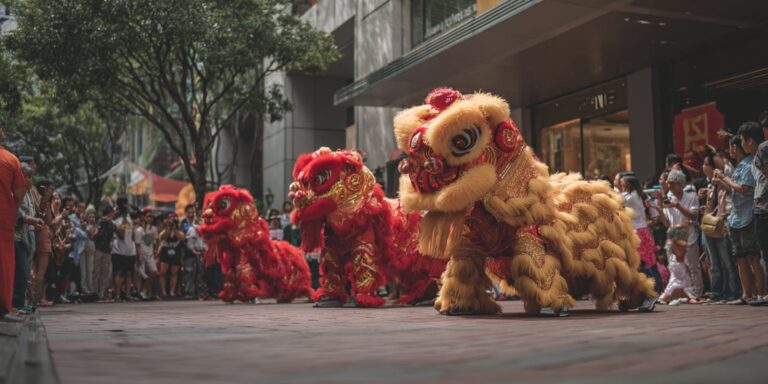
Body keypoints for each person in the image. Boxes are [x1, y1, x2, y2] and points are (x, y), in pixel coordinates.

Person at [716, 132, 763, 305]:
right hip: (736, 217)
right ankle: (746, 295)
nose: (730, 150)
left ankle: (760, 294)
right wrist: (722, 183)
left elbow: (744, 188)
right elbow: (734, 189)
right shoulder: (738, 167)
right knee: (740, 258)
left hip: (748, 216)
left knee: (753, 256)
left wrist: (725, 179)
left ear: (734, 147)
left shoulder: (750, 164)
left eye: (731, 146)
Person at [650, 169, 703, 298]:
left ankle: (696, 293)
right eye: (668, 183)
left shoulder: (691, 197)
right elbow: (667, 223)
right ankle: (681, 294)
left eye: (672, 183)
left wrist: (677, 206)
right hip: (673, 238)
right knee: (675, 268)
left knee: (693, 267)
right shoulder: (668, 199)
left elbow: (693, 216)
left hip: (689, 236)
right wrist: (660, 210)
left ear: (681, 184)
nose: (669, 186)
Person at [736, 121, 768, 305]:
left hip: (763, 206)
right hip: (760, 206)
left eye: (742, 140)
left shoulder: (764, 149)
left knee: (762, 252)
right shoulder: (759, 152)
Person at [700, 153, 739, 302]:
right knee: (714, 263)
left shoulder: (725, 179)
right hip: (710, 223)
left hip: (722, 222)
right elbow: (713, 204)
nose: (703, 167)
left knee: (727, 261)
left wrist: (721, 182)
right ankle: (717, 292)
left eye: (706, 164)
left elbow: (731, 195)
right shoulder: (709, 184)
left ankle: (732, 291)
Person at [0, 121, 29, 319]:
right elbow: (19, 193)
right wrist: (13, 209)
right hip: (3, 217)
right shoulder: (10, 159)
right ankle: (4, 306)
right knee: (5, 262)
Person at [657, 226, 699, 305]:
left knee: (675, 283)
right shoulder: (679, 243)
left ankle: (663, 298)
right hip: (678, 266)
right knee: (681, 283)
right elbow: (684, 247)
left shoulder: (672, 243)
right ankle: (691, 297)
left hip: (675, 265)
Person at [619, 174, 654, 269]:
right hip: (643, 230)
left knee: (639, 264)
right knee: (646, 264)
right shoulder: (639, 194)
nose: (621, 184)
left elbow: (620, 199)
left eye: (623, 183)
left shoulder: (631, 197)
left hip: (637, 232)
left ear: (629, 185)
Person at [32, 180, 55, 306]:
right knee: (41, 270)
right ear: (45, 189)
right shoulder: (43, 202)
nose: (52, 191)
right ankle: (37, 298)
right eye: (51, 189)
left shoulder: (35, 199)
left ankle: (34, 297)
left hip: (36, 235)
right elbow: (49, 221)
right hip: (42, 236)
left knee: (34, 269)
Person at [111, 197, 137, 301]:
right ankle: (117, 294)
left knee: (129, 273)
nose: (128, 206)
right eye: (126, 204)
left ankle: (127, 294)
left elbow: (131, 234)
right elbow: (121, 235)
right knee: (118, 272)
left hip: (130, 250)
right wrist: (124, 218)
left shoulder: (129, 218)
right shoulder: (116, 219)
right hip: (118, 250)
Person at [92, 205, 116, 300]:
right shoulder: (103, 221)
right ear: (110, 212)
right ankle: (98, 293)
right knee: (101, 272)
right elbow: (96, 232)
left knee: (100, 272)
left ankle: (99, 294)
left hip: (103, 249)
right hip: (101, 249)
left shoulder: (108, 222)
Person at [135, 209, 159, 299]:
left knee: (154, 273)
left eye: (151, 217)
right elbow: (137, 245)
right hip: (141, 255)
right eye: (148, 216)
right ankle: (141, 293)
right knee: (142, 276)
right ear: (144, 218)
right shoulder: (139, 230)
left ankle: (145, 291)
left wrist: (156, 251)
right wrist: (138, 257)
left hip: (150, 255)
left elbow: (157, 240)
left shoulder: (153, 229)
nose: (150, 218)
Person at [158, 214, 184, 297]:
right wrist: (168, 228)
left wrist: (175, 229)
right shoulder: (164, 229)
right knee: (162, 272)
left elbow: (181, 238)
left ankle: (172, 291)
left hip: (176, 251)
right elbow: (162, 237)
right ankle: (163, 292)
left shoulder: (179, 230)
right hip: (165, 251)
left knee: (174, 273)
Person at [80, 209, 97, 294]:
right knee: (83, 270)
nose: (91, 218)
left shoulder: (95, 226)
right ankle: (84, 288)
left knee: (90, 269)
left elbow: (92, 236)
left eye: (93, 217)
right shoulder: (83, 225)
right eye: (90, 217)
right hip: (82, 248)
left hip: (91, 247)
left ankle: (91, 288)